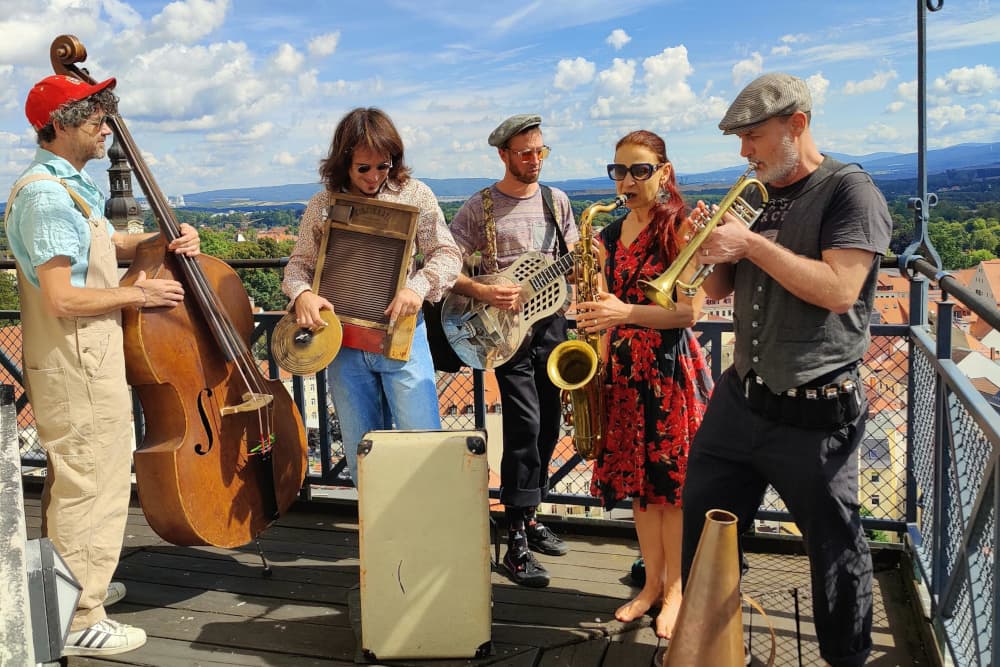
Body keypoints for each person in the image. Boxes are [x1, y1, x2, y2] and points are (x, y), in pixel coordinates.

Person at [681, 72, 892, 667]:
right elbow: (721, 288)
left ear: (796, 125)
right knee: (704, 537)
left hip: (816, 411)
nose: (743, 152)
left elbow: (840, 291)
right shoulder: (758, 192)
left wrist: (750, 244)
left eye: (752, 136)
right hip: (741, 399)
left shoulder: (851, 191)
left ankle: (846, 659)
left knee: (835, 555)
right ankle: (717, 652)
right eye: (740, 139)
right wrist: (706, 248)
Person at [5, 74, 201, 657]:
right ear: (61, 124)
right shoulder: (44, 195)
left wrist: (163, 238)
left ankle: (63, 596)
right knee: (94, 486)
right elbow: (61, 297)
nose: (105, 128)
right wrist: (139, 296)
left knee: (75, 486)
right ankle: (80, 617)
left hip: (82, 361)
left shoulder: (65, 188)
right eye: (95, 117)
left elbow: (100, 244)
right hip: (78, 363)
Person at [572, 130, 712, 638]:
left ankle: (675, 590)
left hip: (669, 372)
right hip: (624, 374)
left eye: (639, 170)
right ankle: (652, 584)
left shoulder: (679, 228)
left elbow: (691, 311)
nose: (626, 181)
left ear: (664, 174)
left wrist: (623, 311)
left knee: (670, 491)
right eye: (619, 171)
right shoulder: (608, 237)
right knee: (639, 489)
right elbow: (602, 308)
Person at [282, 107, 461, 486]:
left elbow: (447, 254)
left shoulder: (415, 193)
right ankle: (383, 540)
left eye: (383, 165)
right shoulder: (323, 204)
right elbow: (298, 266)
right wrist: (302, 295)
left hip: (402, 338)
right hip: (343, 343)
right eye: (363, 168)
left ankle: (427, 538)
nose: (374, 176)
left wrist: (418, 287)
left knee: (422, 445)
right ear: (344, 161)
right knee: (365, 453)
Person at [449, 114, 578, 588]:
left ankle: (531, 511)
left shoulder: (556, 201)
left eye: (541, 150)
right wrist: (483, 293)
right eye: (525, 153)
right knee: (525, 424)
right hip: (504, 332)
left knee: (550, 421)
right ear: (503, 155)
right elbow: (444, 270)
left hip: (551, 324)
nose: (535, 160)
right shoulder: (478, 207)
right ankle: (516, 535)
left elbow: (573, 260)